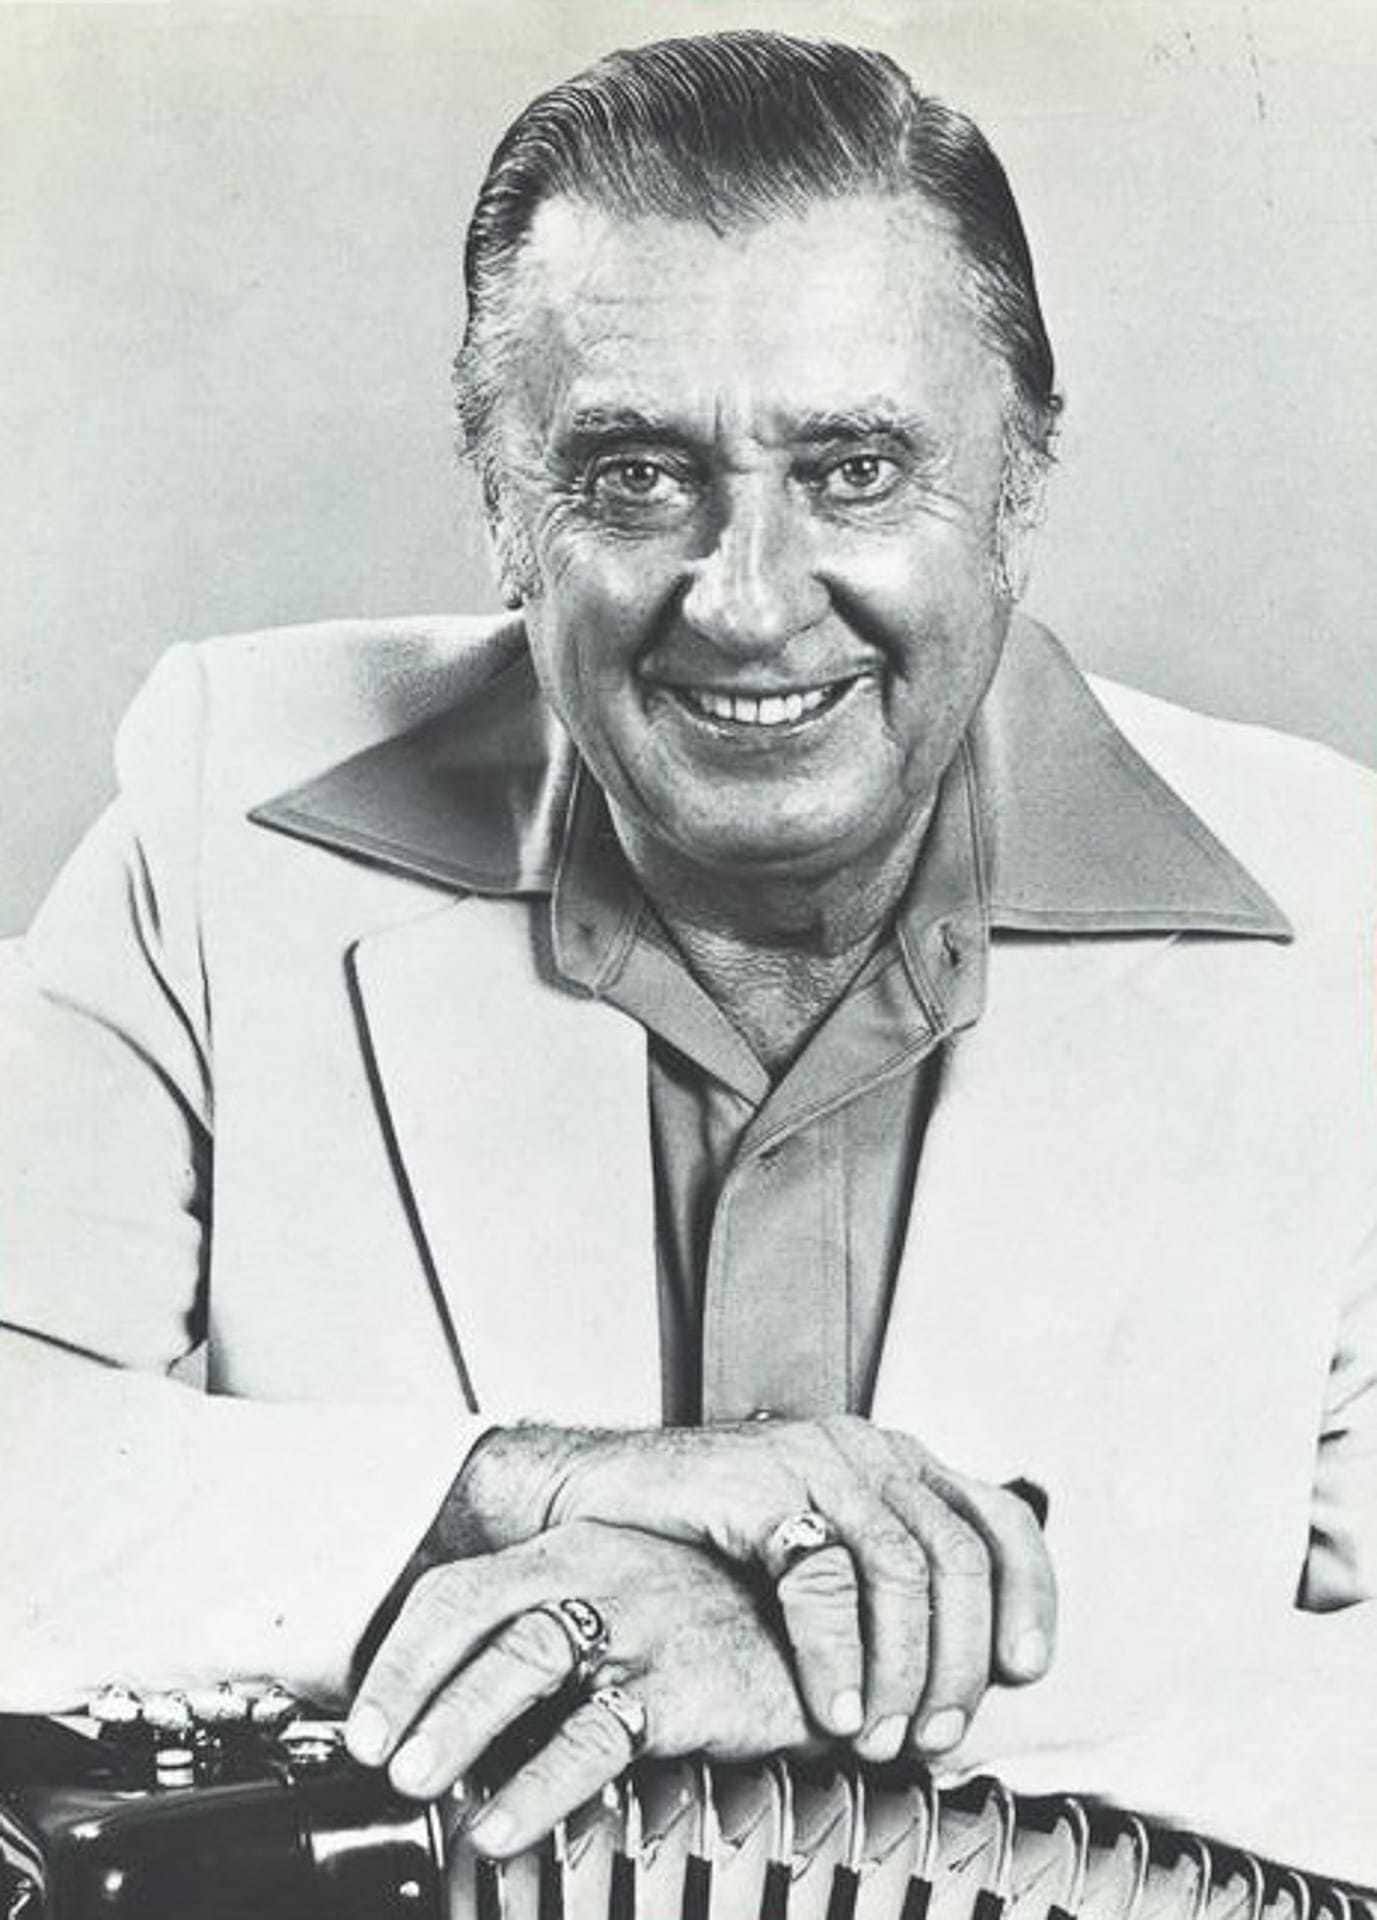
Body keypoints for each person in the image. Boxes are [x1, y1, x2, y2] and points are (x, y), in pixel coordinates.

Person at [2, 29, 1376, 1879]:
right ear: (500, 500)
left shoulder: (1347, 920)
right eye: (635, 476)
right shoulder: (218, 815)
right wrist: (519, 1491)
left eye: (857, 468)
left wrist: (822, 1658)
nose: (743, 600)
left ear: (1023, 487)